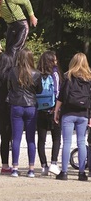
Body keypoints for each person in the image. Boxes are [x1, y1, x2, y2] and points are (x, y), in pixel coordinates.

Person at [54, 52, 91, 181]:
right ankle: (82, 173)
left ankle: (64, 173)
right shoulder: (89, 79)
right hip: (83, 114)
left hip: (68, 113)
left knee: (67, 142)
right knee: (81, 142)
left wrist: (56, 112)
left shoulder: (67, 76)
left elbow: (61, 97)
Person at [7, 48, 42, 178]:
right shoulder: (36, 74)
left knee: (16, 138)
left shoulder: (12, 72)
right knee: (31, 139)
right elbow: (39, 90)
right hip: (31, 106)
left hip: (16, 106)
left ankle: (15, 168)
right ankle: (31, 169)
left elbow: (9, 87)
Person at [36, 51, 62, 176]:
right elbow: (57, 92)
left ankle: (43, 166)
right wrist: (56, 109)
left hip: (40, 109)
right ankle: (54, 163)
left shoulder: (36, 74)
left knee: (41, 140)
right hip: (53, 109)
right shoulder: (55, 74)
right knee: (56, 138)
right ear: (52, 61)